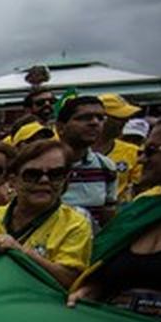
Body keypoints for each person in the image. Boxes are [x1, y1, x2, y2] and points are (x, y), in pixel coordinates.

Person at [65, 109, 161, 322]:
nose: (141, 158)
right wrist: (92, 290)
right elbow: (106, 273)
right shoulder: (143, 210)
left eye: (151, 150)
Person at [0, 138, 93, 287]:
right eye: (32, 175)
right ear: (13, 181)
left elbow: (69, 280)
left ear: (66, 179)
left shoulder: (75, 225)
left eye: (55, 174)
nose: (44, 180)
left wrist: (23, 253)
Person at [56, 95, 118, 229]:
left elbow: (108, 219)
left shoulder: (105, 166)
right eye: (84, 118)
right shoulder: (43, 165)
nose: (95, 122)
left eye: (100, 118)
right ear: (61, 127)